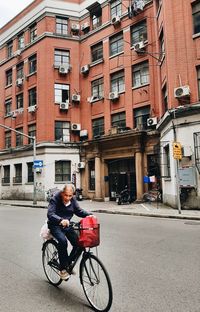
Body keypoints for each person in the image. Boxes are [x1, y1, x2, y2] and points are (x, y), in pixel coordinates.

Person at [47, 184, 92, 280]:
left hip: (67, 225)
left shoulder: (73, 200)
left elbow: (78, 211)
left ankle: (68, 263)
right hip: (55, 225)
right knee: (63, 241)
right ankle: (63, 269)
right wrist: (60, 220)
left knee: (79, 243)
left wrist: (89, 215)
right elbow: (50, 214)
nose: (68, 198)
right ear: (62, 193)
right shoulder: (55, 198)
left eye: (70, 196)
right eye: (66, 195)